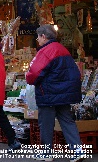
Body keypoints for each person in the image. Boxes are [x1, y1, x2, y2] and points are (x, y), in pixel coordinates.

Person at [25, 25, 84, 162]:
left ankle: (46, 153)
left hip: (49, 93)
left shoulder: (45, 51)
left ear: (43, 37)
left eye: (38, 36)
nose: (37, 39)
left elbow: (34, 73)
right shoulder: (63, 49)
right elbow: (75, 72)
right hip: (64, 94)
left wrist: (29, 79)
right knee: (67, 120)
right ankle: (78, 150)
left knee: (46, 123)